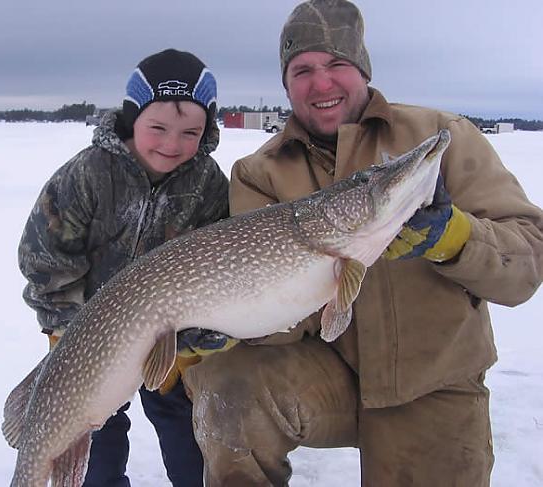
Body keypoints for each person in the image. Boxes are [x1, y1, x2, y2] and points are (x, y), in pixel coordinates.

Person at [182, 1, 543, 486]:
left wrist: (455, 237)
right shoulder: (260, 173)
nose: (321, 83)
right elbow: (284, 312)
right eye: (302, 70)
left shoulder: (443, 136)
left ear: (363, 71)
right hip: (324, 374)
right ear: (286, 84)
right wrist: (236, 324)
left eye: (336, 65)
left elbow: (529, 258)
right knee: (228, 383)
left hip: (432, 382)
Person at [18, 48, 234, 487]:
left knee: (184, 426)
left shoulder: (208, 185)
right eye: (158, 128)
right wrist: (70, 330)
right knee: (95, 436)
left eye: (190, 132)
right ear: (132, 117)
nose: (172, 145)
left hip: (170, 338)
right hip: (88, 336)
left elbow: (220, 268)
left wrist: (195, 334)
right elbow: (46, 258)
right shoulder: (88, 174)